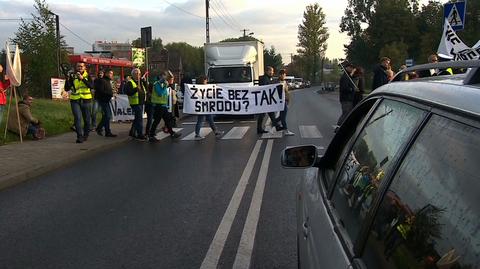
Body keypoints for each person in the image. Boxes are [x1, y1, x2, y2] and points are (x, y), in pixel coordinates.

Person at [65, 61, 94, 143]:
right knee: (77, 118)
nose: (80, 68)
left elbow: (91, 86)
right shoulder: (72, 76)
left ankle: (86, 135)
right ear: (76, 67)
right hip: (75, 100)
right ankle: (79, 136)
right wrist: (67, 80)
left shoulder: (88, 76)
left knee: (87, 120)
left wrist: (83, 79)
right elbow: (66, 88)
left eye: (81, 66)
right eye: (78, 66)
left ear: (84, 68)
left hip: (86, 100)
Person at [148, 70, 181, 142]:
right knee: (157, 121)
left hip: (163, 105)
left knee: (167, 120)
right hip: (158, 105)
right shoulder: (156, 84)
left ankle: (172, 133)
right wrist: (165, 86)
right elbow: (160, 93)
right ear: (160, 76)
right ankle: (151, 135)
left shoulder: (162, 84)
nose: (165, 78)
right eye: (164, 76)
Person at [194, 75, 224, 140]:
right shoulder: (201, 88)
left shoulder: (204, 87)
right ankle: (197, 135)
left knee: (210, 119)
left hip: (205, 106)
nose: (207, 81)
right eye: (206, 80)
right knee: (201, 120)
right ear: (203, 81)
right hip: (202, 106)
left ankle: (216, 132)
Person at [124, 68, 147, 140]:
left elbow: (146, 89)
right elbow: (128, 92)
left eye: (139, 74)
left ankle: (132, 132)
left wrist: (145, 82)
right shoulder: (130, 82)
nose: (138, 75)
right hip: (135, 103)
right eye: (136, 74)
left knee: (137, 118)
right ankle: (140, 134)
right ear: (133, 75)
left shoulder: (141, 82)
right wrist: (136, 89)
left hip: (141, 102)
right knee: (139, 119)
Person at [257, 66, 281, 134]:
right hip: (264, 100)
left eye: (272, 71)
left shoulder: (267, 78)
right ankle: (259, 129)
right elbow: (266, 87)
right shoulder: (264, 79)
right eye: (271, 71)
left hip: (267, 99)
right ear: (267, 71)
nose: (272, 72)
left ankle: (276, 126)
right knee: (262, 115)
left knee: (271, 114)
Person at [94, 69, 117, 137]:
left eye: (112, 73)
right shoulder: (102, 80)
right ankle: (99, 128)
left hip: (107, 100)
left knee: (106, 116)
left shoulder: (108, 81)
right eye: (110, 73)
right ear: (106, 74)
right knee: (108, 116)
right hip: (102, 100)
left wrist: (113, 92)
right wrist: (110, 94)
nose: (111, 75)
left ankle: (107, 131)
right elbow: (101, 91)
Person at [276, 69, 294, 136]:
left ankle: (273, 123)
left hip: (286, 100)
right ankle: (286, 130)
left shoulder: (284, 82)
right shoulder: (278, 82)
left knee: (282, 116)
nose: (285, 76)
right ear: (280, 75)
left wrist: (289, 100)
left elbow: (287, 92)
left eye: (285, 74)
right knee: (283, 116)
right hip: (282, 101)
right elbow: (279, 92)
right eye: (283, 74)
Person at [0, 64, 11, 129]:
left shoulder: (1, 81)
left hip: (2, 102)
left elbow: (4, 87)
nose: (1, 69)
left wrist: (8, 80)